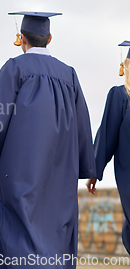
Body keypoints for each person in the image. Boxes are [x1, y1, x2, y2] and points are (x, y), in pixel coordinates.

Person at [0, 12, 96, 269]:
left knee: (17, 230)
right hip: (61, 172)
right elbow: (83, 123)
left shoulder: (14, 68)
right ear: (50, 38)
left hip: (20, 170)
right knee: (55, 228)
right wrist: (87, 168)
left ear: (22, 39)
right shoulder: (69, 74)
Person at [86, 40, 130, 254]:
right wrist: (94, 169)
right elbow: (107, 135)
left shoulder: (122, 96)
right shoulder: (122, 97)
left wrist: (94, 170)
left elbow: (106, 136)